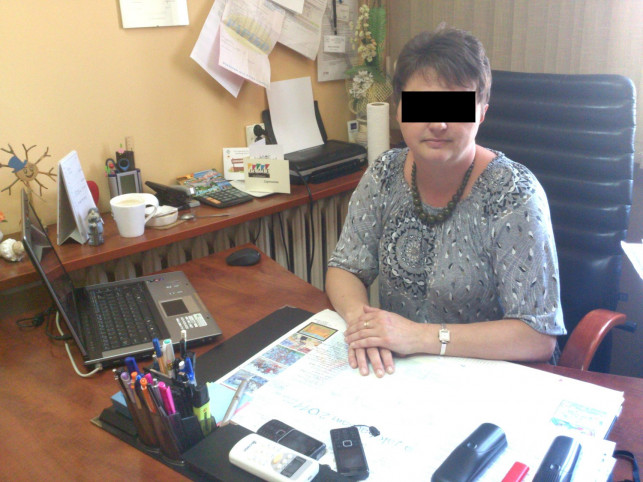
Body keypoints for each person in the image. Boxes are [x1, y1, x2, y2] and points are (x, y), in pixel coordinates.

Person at [326, 26, 566, 378]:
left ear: (482, 112)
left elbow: (538, 335)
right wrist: (362, 325)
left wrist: (420, 337)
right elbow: (345, 268)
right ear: (399, 111)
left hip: (490, 379)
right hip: (399, 373)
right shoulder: (384, 174)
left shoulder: (513, 193)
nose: (438, 123)